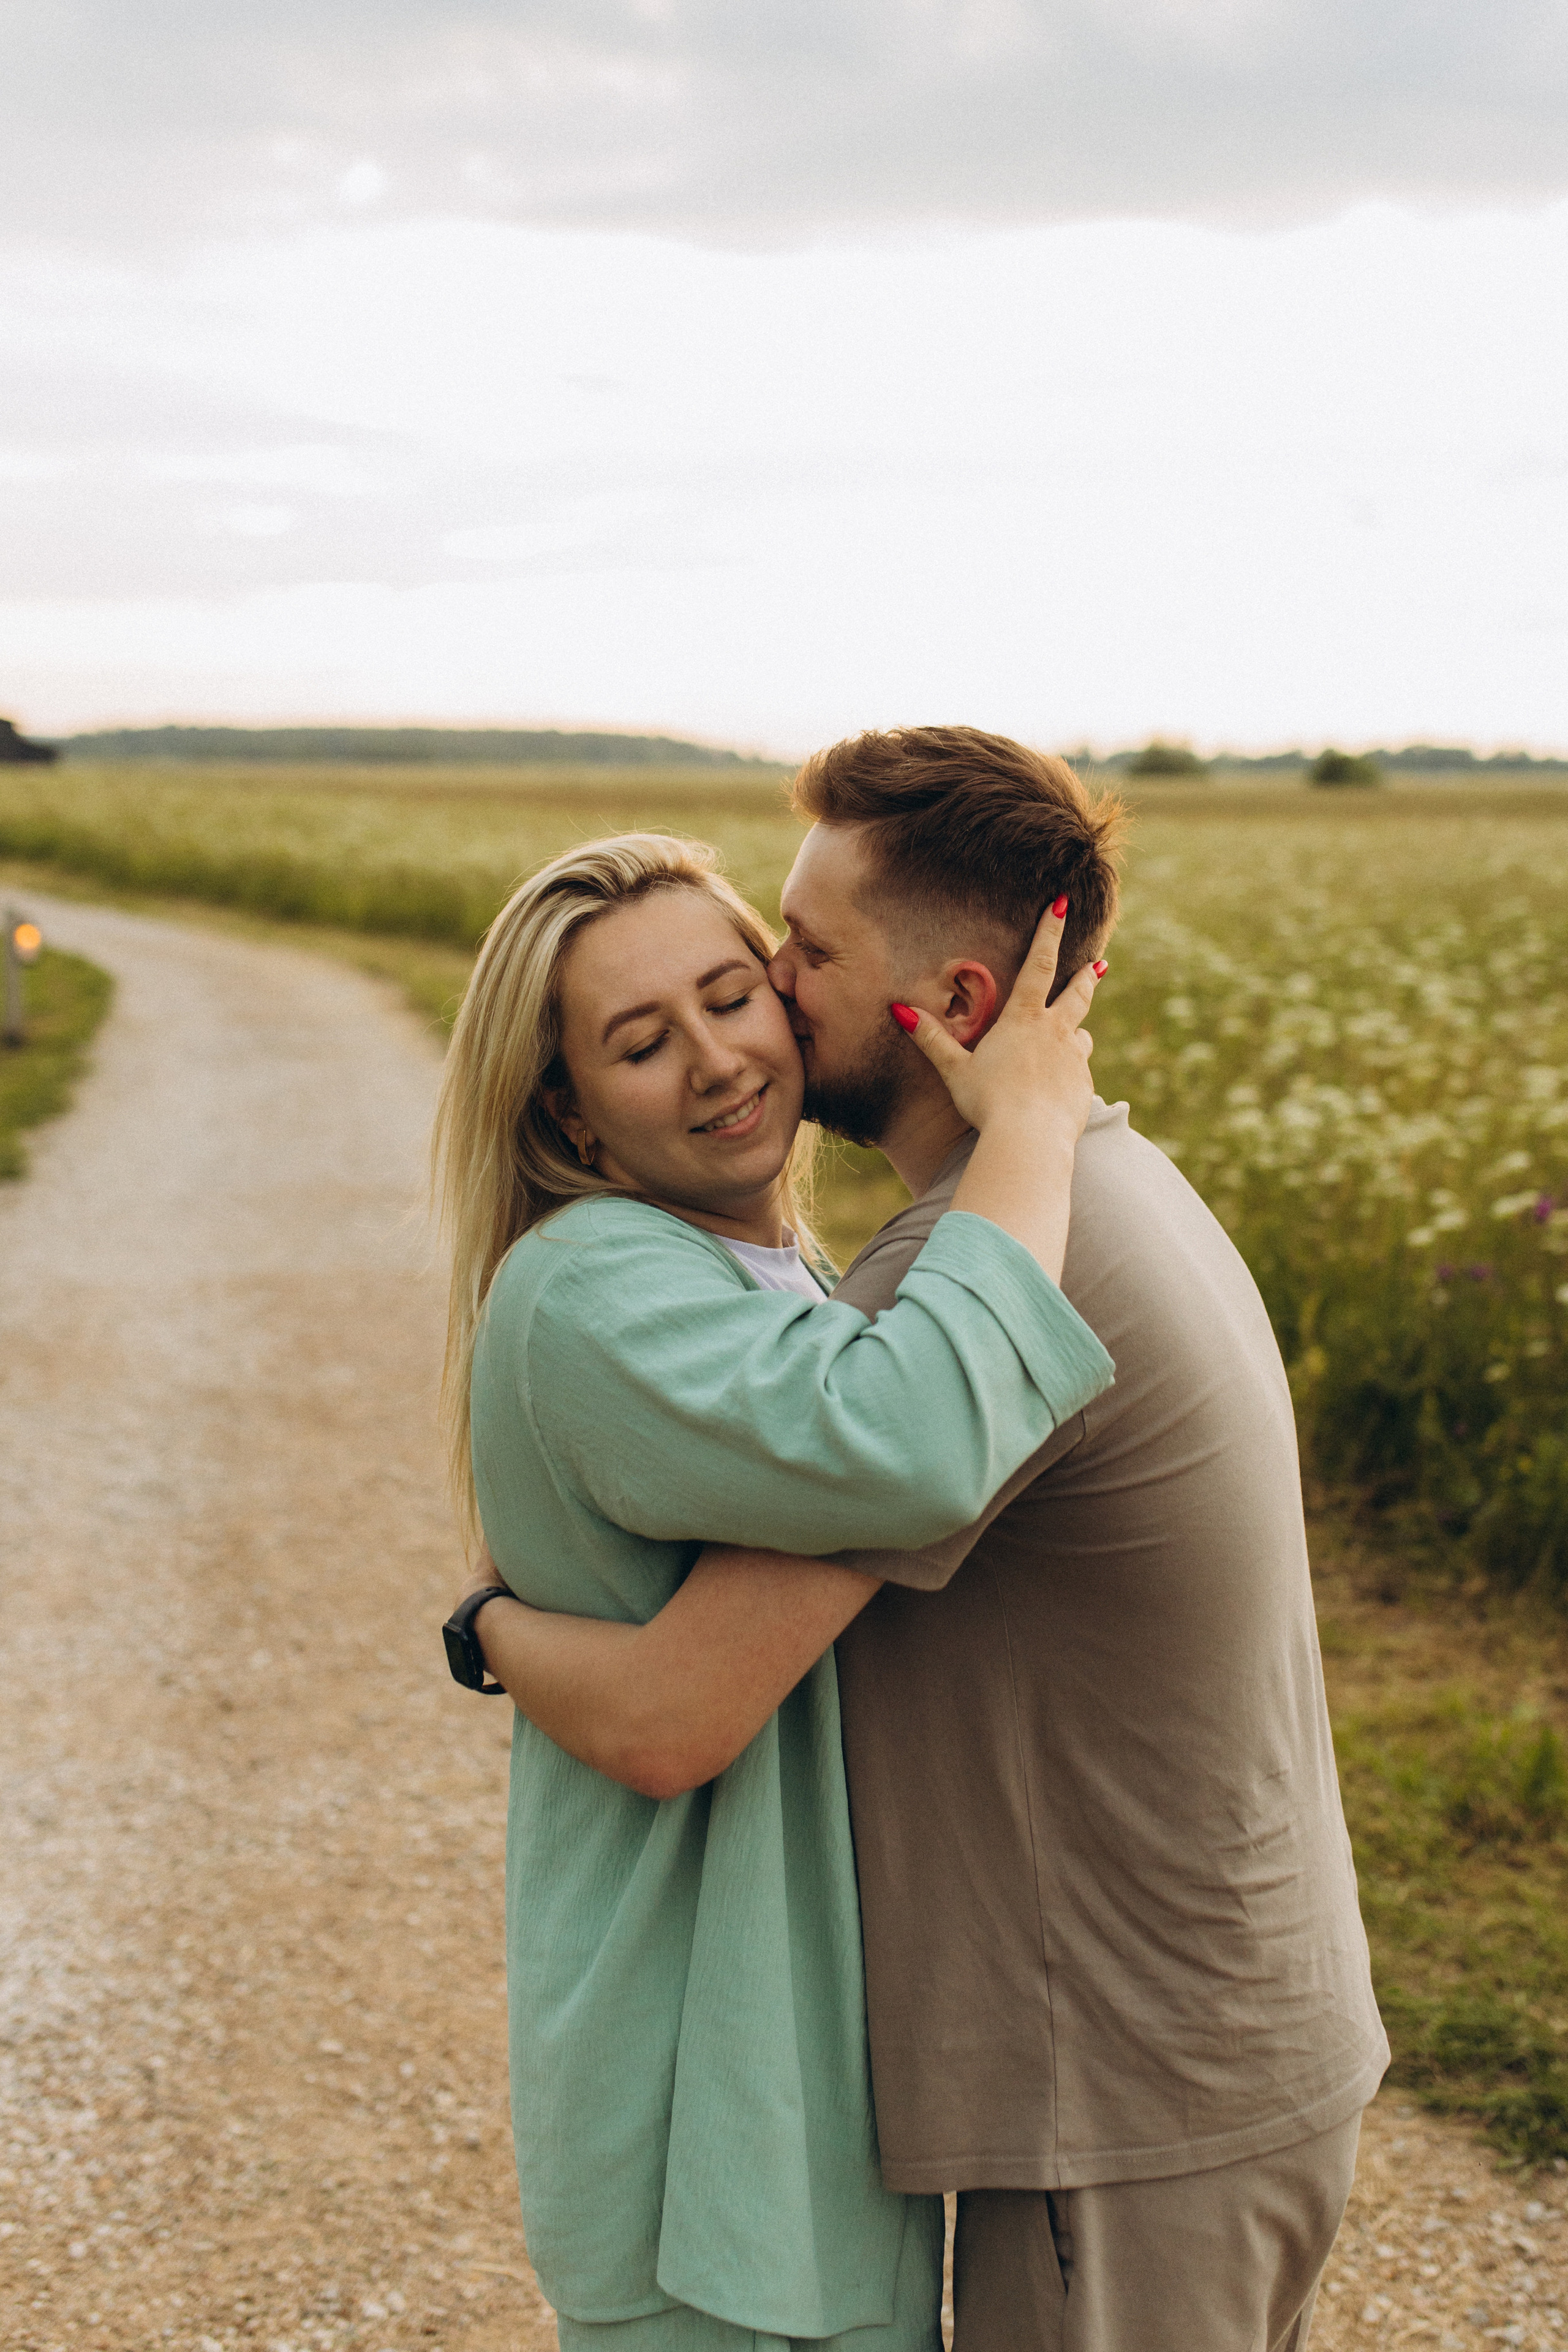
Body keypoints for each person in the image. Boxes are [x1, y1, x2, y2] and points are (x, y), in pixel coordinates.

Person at [472, 730, 1389, 2352]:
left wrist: (486, 1630)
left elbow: (680, 1699)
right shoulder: (1101, 1199)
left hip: (1128, 2094)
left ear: (954, 1008)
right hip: (1205, 2051)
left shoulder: (983, 1295)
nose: (767, 987)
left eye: (796, 956)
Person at [431, 827, 1114, 2351]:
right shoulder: (594, 1284)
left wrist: (491, 1630)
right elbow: (918, 1435)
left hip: (793, 2086)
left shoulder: (763, 1273)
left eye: (732, 995)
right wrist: (1032, 1127)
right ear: (574, 1114)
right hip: (704, 2107)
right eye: (637, 1041)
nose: (715, 1060)